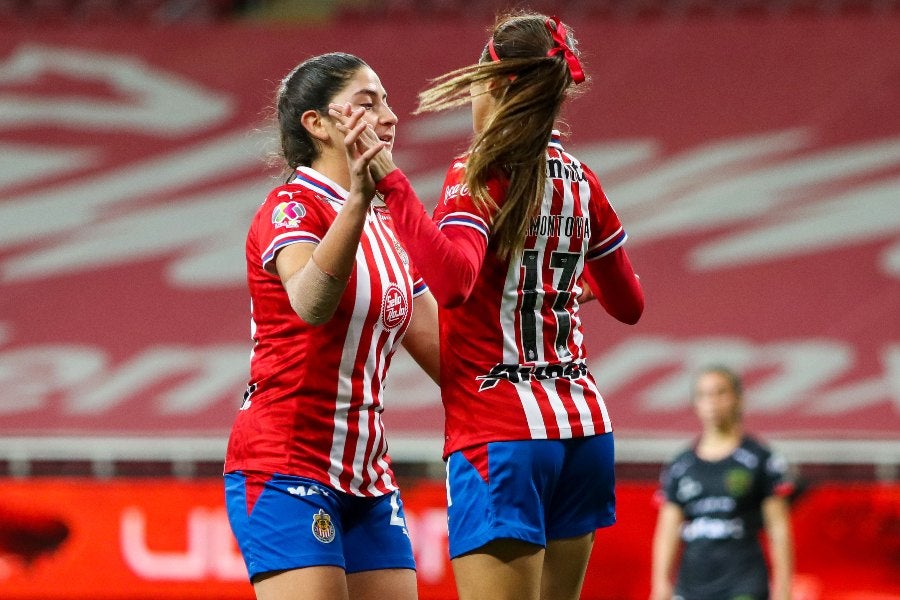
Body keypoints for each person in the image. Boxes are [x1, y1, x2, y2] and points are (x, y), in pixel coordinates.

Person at [332, 11, 645, 600]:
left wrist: (392, 182)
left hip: (501, 434)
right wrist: (567, 286)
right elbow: (629, 303)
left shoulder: (479, 173)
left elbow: (452, 283)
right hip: (584, 429)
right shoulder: (583, 180)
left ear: (496, 87)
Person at [223, 52, 439, 600]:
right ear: (317, 124)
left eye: (387, 101)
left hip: (369, 475)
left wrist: (530, 310)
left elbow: (451, 359)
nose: (389, 116)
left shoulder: (390, 230)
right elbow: (311, 301)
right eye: (368, 103)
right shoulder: (289, 208)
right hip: (284, 464)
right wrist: (361, 200)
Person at [649, 365, 795, 600]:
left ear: (739, 399)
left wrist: (784, 587)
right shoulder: (681, 465)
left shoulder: (759, 458)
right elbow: (667, 531)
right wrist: (660, 585)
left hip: (743, 582)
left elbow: (778, 527)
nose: (712, 402)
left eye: (720, 393)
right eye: (704, 395)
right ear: (695, 404)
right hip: (692, 586)